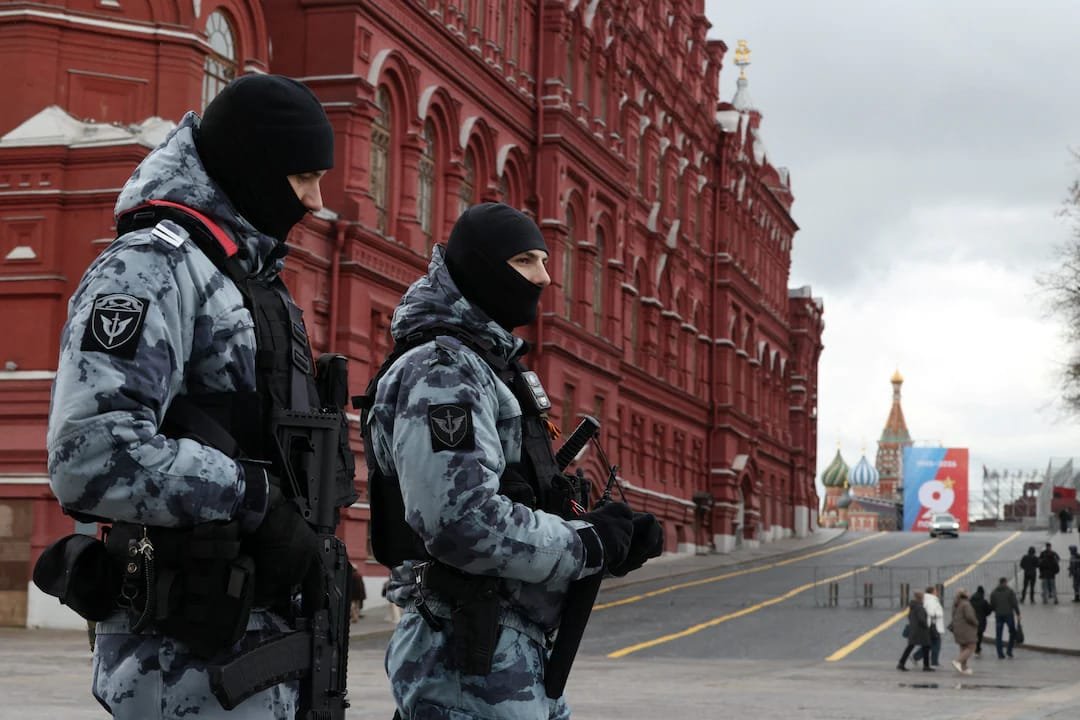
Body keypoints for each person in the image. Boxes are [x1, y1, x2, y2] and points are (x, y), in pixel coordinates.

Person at [44, 74, 337, 718]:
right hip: (180, 662)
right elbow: (89, 455)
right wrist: (255, 499)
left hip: (252, 646)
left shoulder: (244, 278)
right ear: (255, 165)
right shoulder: (149, 267)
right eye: (303, 178)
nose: (316, 202)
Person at [364, 202, 664, 719]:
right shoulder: (444, 370)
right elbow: (461, 522)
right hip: (466, 652)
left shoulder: (489, 367)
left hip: (510, 649)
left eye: (544, 261)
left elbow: (519, 496)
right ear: (480, 266)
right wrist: (586, 544)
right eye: (525, 261)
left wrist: (610, 541)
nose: (544, 278)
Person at [897, 590, 933, 672]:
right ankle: (926, 666)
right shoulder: (920, 607)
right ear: (921, 598)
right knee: (926, 646)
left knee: (910, 646)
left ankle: (901, 663)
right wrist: (926, 626)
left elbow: (910, 617)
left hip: (914, 629)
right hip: (921, 630)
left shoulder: (913, 606)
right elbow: (921, 619)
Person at [989, 576, 1020, 659]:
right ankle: (1009, 650)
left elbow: (992, 604)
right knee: (1012, 632)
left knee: (998, 635)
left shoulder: (994, 592)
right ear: (1005, 582)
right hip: (1009, 614)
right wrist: (1018, 613)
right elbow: (1014, 603)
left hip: (999, 615)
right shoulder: (1010, 591)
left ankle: (1000, 653)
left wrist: (996, 610)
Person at [949, 588, 978, 675]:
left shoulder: (956, 604)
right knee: (972, 646)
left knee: (964, 647)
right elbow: (970, 617)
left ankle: (963, 667)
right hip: (966, 629)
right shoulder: (966, 604)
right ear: (965, 594)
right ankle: (957, 661)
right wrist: (976, 622)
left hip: (958, 629)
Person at [913, 585, 944, 666]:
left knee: (930, 643)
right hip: (933, 625)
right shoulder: (931, 600)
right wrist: (938, 614)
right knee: (936, 643)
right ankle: (934, 661)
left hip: (930, 625)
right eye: (935, 591)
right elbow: (931, 612)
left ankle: (916, 656)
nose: (937, 592)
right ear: (932, 592)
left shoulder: (928, 599)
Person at [969, 585, 992, 656]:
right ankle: (977, 648)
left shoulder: (971, 601)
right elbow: (988, 611)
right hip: (981, 620)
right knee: (979, 635)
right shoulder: (984, 601)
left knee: (974, 634)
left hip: (972, 619)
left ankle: (974, 647)